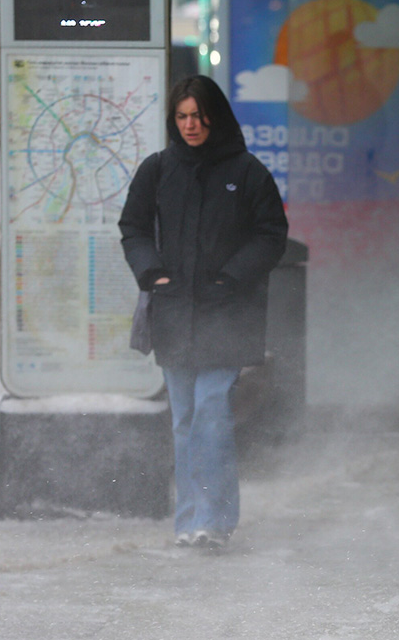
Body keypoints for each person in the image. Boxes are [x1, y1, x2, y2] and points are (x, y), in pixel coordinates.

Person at [119, 75, 288, 548]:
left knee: (212, 412)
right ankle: (189, 522)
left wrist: (231, 278)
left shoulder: (247, 171)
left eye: (198, 115)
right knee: (183, 419)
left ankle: (213, 522)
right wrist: (152, 273)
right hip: (174, 316)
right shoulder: (157, 170)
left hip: (227, 315)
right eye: (182, 117)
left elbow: (271, 233)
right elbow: (132, 226)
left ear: (214, 116)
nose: (190, 125)